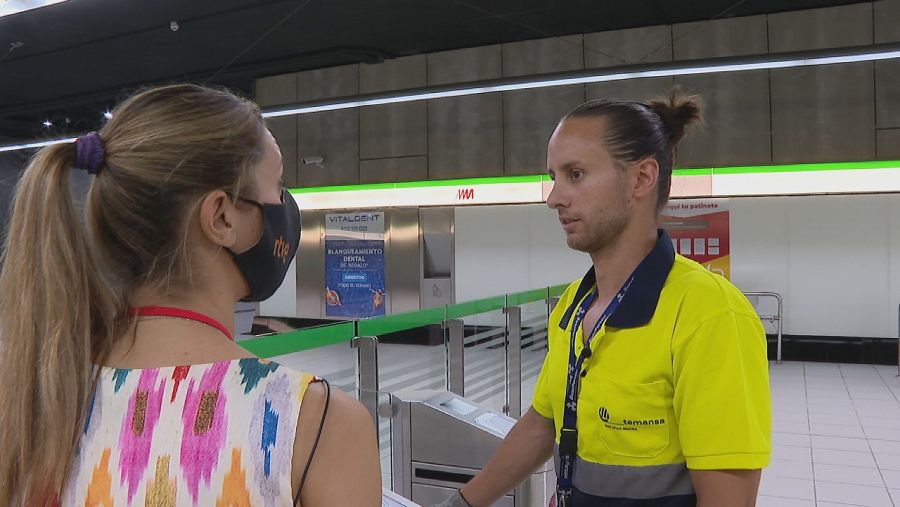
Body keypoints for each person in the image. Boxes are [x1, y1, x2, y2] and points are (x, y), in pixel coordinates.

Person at [0, 84, 382, 506]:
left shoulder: (32, 400)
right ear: (221, 217)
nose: (285, 205)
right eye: (277, 184)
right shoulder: (316, 424)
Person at [439, 95, 771, 506]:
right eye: (554, 177)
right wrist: (464, 502)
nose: (554, 197)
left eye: (575, 174)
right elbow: (544, 422)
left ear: (641, 178)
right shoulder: (573, 307)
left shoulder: (709, 314)